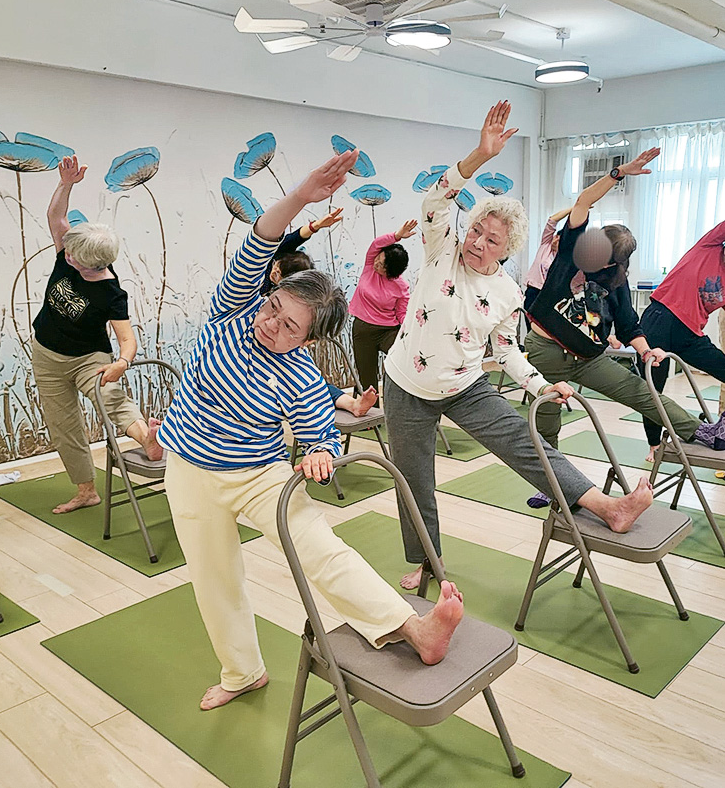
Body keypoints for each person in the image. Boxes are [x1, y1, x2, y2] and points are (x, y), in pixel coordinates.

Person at [158, 151, 465, 711]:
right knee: (214, 578)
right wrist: (301, 194)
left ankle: (413, 629)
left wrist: (321, 454)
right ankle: (242, 671)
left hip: (257, 476)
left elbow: (317, 429)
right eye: (272, 306)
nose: (270, 321)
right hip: (188, 471)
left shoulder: (300, 372)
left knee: (321, 549)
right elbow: (260, 241)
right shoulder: (232, 312)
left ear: (309, 340)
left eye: (288, 325)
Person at [383, 102, 655, 590]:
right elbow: (435, 202)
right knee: (415, 482)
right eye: (477, 232)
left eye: (492, 241)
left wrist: (540, 386)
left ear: (506, 252)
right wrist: (477, 158)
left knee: (529, 446)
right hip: (405, 385)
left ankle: (607, 507)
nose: (478, 244)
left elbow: (507, 351)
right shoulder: (441, 250)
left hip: (466, 385)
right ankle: (427, 563)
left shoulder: (508, 293)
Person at [524, 149, 725, 504]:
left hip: (589, 357)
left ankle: (703, 433)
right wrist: (618, 173)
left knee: (642, 393)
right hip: (546, 351)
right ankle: (551, 482)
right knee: (547, 420)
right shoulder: (571, 251)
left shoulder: (615, 281)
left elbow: (630, 324)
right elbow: (584, 200)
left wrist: (646, 350)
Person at [32, 155, 162, 515]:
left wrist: (122, 362)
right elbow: (55, 218)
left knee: (113, 398)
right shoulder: (66, 257)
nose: (64, 249)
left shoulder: (111, 293)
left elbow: (127, 339)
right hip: (47, 354)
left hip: (89, 359)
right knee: (64, 427)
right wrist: (67, 184)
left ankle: (149, 442)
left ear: (87, 262)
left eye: (70, 251)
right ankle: (86, 490)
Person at [263, 206, 378, 417]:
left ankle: (352, 404)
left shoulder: (301, 304)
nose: (272, 272)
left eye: (277, 272)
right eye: (274, 267)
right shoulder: (262, 289)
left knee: (310, 380)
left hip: (282, 354)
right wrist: (314, 226)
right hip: (262, 354)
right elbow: (284, 245)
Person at [640, 218, 725, 460]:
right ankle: (654, 443)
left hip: (690, 334)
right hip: (661, 318)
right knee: (653, 387)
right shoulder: (709, 246)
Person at [349, 221, 415, 395]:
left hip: (388, 331)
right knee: (367, 378)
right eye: (378, 259)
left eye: (381, 264)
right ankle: (371, 419)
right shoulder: (370, 266)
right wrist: (397, 235)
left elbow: (402, 313)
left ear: (391, 272)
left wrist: (410, 333)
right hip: (363, 330)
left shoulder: (400, 286)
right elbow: (375, 245)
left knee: (402, 363)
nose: (376, 263)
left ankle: (402, 400)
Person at [260, 207, 343, 295]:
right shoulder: (277, 253)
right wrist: (316, 225)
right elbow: (296, 237)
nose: (273, 272)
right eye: (275, 266)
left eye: (277, 274)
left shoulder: (285, 294)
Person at [524, 206, 573, 311]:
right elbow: (552, 220)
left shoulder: (564, 259)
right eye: (556, 237)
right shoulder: (546, 245)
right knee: (530, 324)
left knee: (542, 327)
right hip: (533, 292)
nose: (556, 240)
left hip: (549, 297)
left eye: (560, 240)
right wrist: (573, 209)